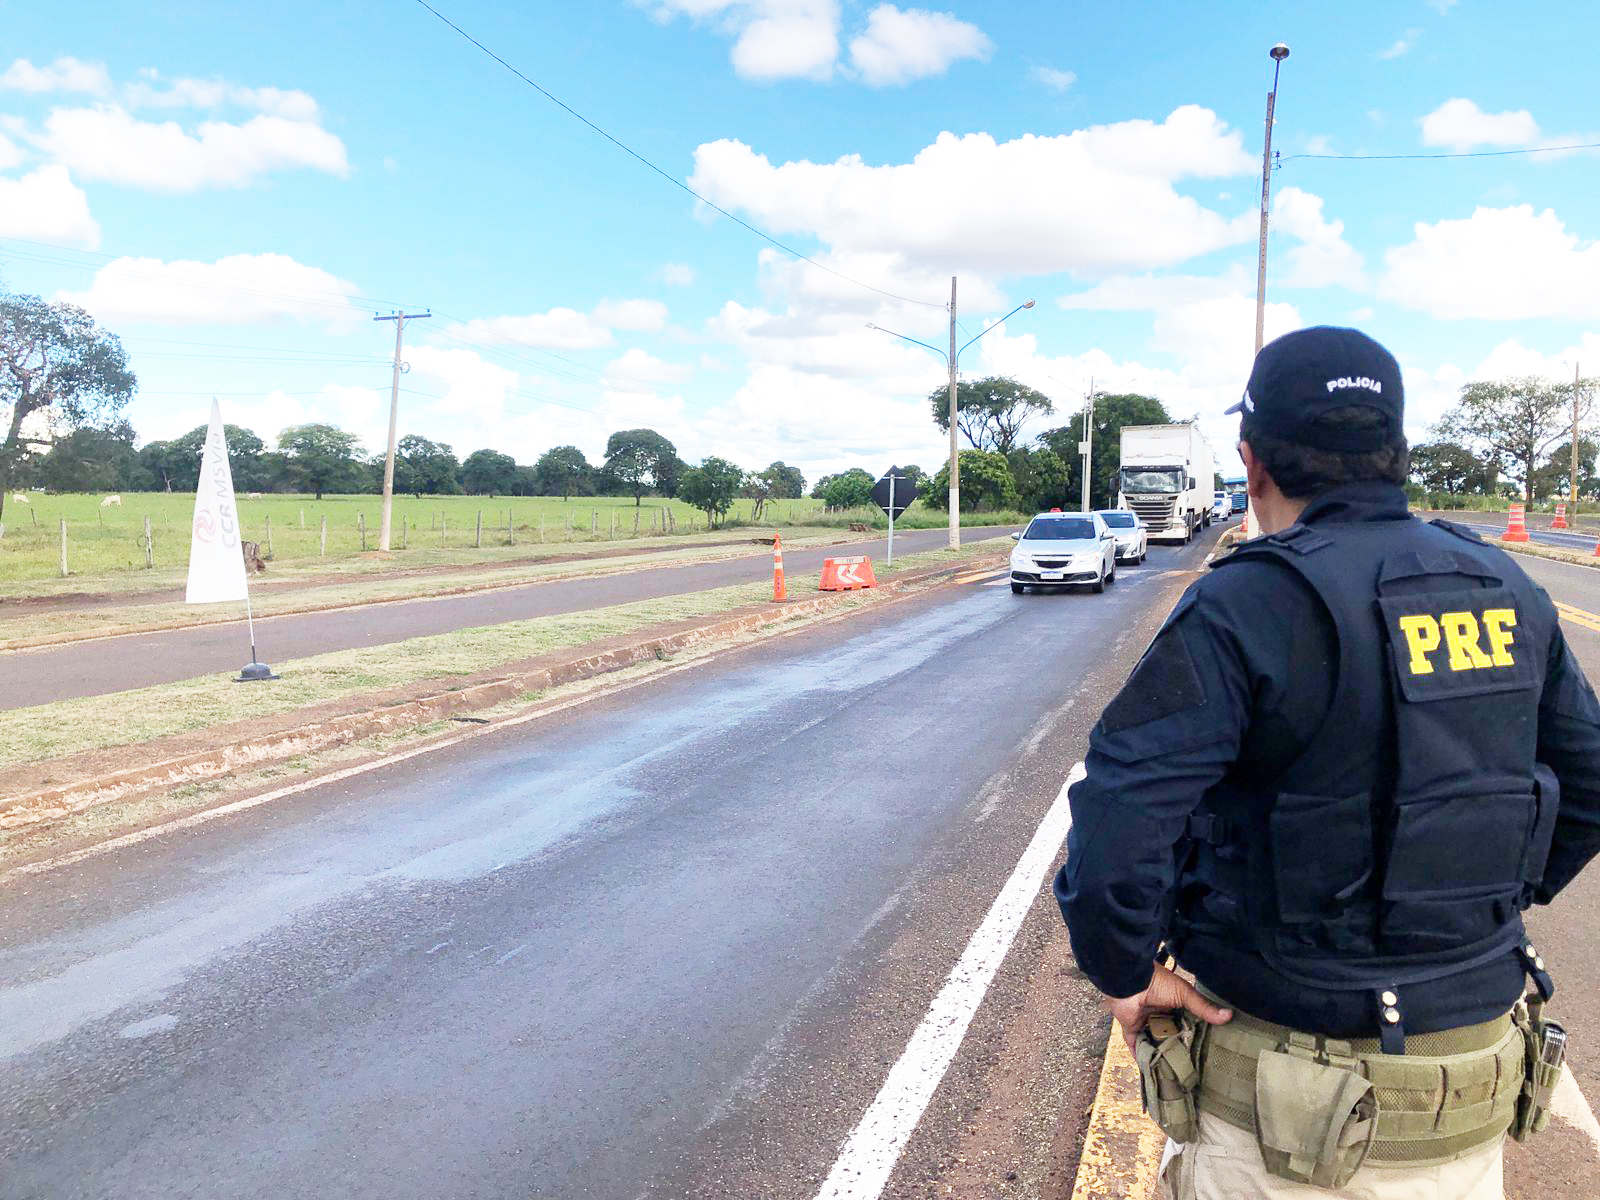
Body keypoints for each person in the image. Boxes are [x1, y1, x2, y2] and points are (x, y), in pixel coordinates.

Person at [1056, 326, 1600, 1199]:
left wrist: (1125, 971)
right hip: (1466, 1097)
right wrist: (1472, 902)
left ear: (1253, 461)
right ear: (1396, 455)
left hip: (1282, 1116)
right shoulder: (1505, 586)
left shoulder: (1246, 602)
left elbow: (1120, 828)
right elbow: (1590, 781)